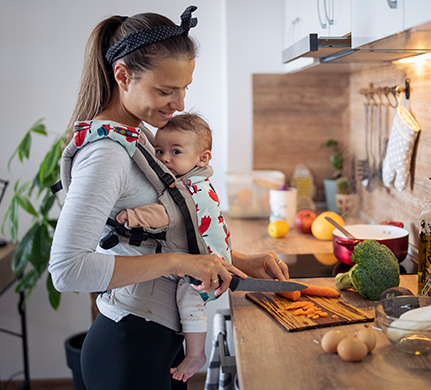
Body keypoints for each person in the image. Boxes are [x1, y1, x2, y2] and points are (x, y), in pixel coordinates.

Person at [48, 6, 289, 390]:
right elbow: (67, 269)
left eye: (184, 88)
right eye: (165, 90)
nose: (178, 103)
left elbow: (168, 234)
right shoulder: (107, 153)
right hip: (128, 349)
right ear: (123, 76)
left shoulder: (140, 136)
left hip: (155, 341)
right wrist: (180, 262)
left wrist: (238, 260)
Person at [116, 112, 229, 382]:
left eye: (175, 151)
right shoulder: (196, 180)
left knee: (188, 300)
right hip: (212, 257)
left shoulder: (191, 189)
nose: (165, 158)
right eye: (160, 150)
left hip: (207, 267)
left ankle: (195, 354)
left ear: (202, 158)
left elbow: (165, 214)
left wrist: (131, 216)